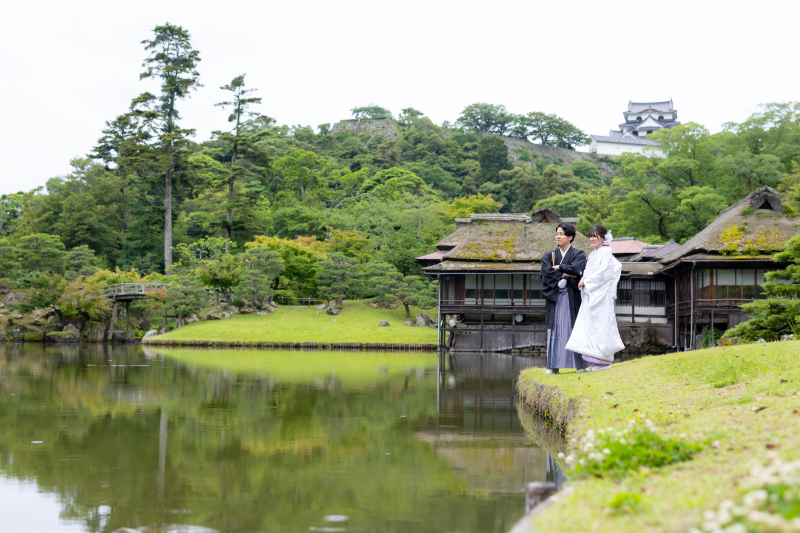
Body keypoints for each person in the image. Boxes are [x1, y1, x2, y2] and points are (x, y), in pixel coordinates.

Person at [565, 224, 625, 371]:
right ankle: (595, 362)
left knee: (601, 325)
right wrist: (583, 280)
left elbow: (604, 273)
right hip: (591, 294)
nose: (591, 239)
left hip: (600, 295)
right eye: (590, 236)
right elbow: (589, 273)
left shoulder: (605, 253)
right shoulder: (593, 254)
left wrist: (586, 281)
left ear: (603, 238)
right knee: (590, 327)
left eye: (595, 236)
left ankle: (603, 361)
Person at [541, 223, 587, 374]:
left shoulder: (579, 254)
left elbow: (578, 270)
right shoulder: (549, 255)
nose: (558, 236)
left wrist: (560, 268)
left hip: (573, 298)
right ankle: (553, 366)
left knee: (574, 328)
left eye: (561, 234)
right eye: (557, 234)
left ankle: (580, 365)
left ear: (570, 237)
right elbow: (546, 274)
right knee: (555, 330)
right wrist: (567, 273)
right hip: (556, 298)